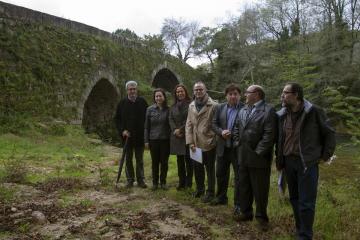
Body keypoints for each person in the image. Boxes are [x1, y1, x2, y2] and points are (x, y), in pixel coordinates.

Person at [276, 83, 336, 240]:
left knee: (306, 202)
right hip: (288, 162)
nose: (282, 95)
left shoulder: (314, 112)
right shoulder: (283, 114)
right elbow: (280, 139)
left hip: (306, 163)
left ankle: (305, 235)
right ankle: (299, 229)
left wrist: (325, 155)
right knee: (294, 198)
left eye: (285, 92)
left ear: (296, 95)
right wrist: (280, 160)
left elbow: (329, 133)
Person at [233, 85, 277, 230]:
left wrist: (257, 152)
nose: (245, 95)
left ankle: (261, 218)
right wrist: (236, 142)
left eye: (248, 92)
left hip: (259, 158)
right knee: (244, 186)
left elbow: (269, 136)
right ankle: (246, 213)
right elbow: (237, 128)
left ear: (257, 94)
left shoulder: (269, 110)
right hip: (242, 155)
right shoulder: (243, 109)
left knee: (260, 189)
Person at [211, 84, 244, 208]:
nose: (233, 96)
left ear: (239, 95)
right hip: (222, 147)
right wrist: (221, 132)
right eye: (230, 94)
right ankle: (221, 198)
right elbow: (213, 124)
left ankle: (238, 204)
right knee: (220, 174)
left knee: (239, 177)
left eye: (235, 94)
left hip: (237, 149)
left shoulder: (245, 109)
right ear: (226, 96)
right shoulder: (219, 108)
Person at [185, 81, 217, 203]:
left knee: (209, 169)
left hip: (209, 142)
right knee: (197, 168)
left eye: (200, 89)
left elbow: (216, 124)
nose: (198, 91)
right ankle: (200, 190)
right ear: (193, 92)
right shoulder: (191, 105)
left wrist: (213, 138)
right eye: (196, 90)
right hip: (195, 143)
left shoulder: (213, 105)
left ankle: (210, 192)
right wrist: (190, 142)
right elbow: (188, 124)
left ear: (205, 90)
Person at [115, 80, 148, 188]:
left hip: (139, 137)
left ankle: (140, 180)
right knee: (128, 159)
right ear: (127, 90)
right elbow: (117, 119)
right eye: (130, 89)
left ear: (136, 89)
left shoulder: (142, 102)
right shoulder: (122, 103)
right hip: (127, 138)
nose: (132, 91)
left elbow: (147, 119)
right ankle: (130, 180)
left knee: (139, 160)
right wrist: (122, 130)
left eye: (134, 89)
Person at [144, 88, 171, 190]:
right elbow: (146, 127)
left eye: (160, 96)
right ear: (154, 98)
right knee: (155, 162)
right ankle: (155, 183)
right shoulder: (149, 109)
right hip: (153, 140)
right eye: (156, 96)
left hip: (165, 140)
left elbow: (171, 125)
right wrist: (146, 141)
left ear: (164, 97)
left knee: (164, 162)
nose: (158, 98)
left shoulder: (169, 110)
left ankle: (163, 182)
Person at [169, 84, 193, 191]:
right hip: (177, 137)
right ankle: (181, 182)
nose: (179, 93)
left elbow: (190, 119)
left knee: (189, 161)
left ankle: (189, 183)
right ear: (175, 94)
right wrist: (175, 130)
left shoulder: (191, 104)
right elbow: (170, 119)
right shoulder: (172, 106)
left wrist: (181, 129)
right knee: (180, 161)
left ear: (185, 92)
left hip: (187, 135)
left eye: (181, 91)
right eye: (178, 92)